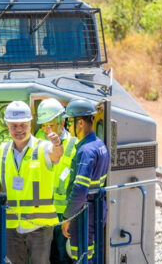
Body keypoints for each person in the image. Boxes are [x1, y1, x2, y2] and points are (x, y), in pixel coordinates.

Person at [0, 100, 64, 264]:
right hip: (13, 224)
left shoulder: (43, 147)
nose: (18, 129)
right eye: (14, 125)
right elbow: (1, 179)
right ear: (8, 126)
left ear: (30, 124)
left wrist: (57, 144)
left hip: (39, 226)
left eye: (23, 125)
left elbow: (56, 155)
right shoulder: (3, 149)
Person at [61, 99, 110, 263]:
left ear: (80, 123)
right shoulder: (100, 145)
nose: (67, 127)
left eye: (69, 122)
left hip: (83, 213)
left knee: (81, 255)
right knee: (92, 255)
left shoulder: (86, 151)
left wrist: (67, 217)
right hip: (97, 208)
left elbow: (80, 189)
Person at [35, 98, 78, 264]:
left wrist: (70, 216)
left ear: (62, 121)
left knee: (62, 254)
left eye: (51, 125)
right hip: (41, 210)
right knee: (44, 254)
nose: (47, 130)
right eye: (43, 125)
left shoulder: (74, 145)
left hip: (62, 212)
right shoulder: (37, 139)